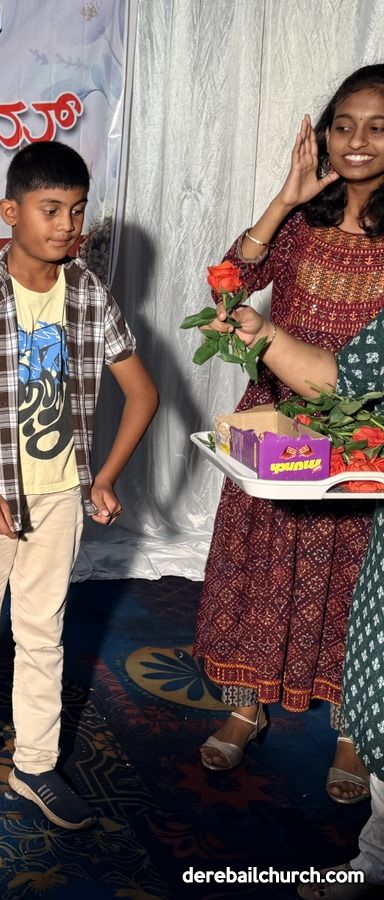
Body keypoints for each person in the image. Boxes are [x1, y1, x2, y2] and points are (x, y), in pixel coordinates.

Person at [0, 141, 159, 829]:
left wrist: (103, 477)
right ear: (10, 211)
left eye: (77, 211)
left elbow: (142, 393)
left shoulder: (88, 292)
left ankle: (35, 765)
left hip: (58, 499)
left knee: (42, 633)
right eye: (50, 209)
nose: (66, 225)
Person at [192, 66, 384, 803]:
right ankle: (246, 706)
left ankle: (354, 730)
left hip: (361, 435)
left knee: (354, 581)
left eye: (377, 128)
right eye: (344, 125)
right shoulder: (302, 222)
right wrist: (283, 199)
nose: (357, 141)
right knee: (262, 565)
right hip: (276, 424)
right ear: (324, 134)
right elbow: (226, 286)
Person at [202, 295, 384, 900]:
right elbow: (342, 379)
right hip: (313, 419)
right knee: (372, 660)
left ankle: (353, 741)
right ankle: (375, 860)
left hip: (361, 446)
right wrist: (264, 331)